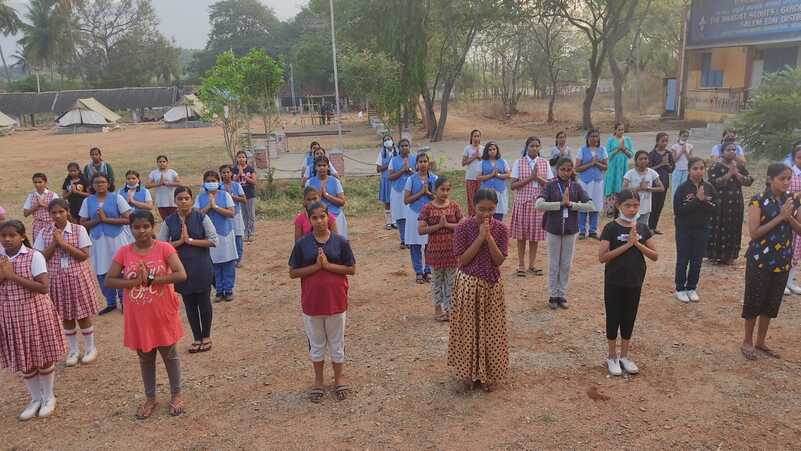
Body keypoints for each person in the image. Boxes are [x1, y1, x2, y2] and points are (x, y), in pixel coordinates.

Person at [105, 210, 188, 419]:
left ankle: (176, 394)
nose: (141, 231)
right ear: (130, 229)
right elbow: (109, 280)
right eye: (136, 227)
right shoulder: (124, 252)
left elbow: (181, 274)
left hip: (161, 313)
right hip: (138, 316)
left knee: (170, 355)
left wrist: (152, 281)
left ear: (153, 227)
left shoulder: (164, 248)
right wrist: (133, 282)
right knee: (145, 357)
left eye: (145, 226)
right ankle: (150, 398)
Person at [288, 201, 356, 403]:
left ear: (329, 217)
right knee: (316, 343)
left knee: (337, 341)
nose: (319, 221)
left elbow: (351, 269)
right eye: (315, 218)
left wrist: (327, 266)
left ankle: (339, 378)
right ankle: (318, 381)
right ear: (309, 220)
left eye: (322, 216)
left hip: (336, 301)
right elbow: (293, 272)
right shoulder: (302, 244)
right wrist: (316, 267)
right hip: (312, 303)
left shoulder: (340, 242)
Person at [0, 220, 64, 420]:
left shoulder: (34, 256)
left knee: (42, 355)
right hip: (10, 314)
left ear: (22, 236)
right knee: (24, 357)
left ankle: (48, 396)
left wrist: (11, 275)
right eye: (3, 236)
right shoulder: (0, 258)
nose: (7, 239)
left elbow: (43, 287)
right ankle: (35, 398)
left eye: (12, 235)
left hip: (35, 311)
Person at [448, 189, 509, 392]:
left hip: (491, 286)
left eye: (491, 209)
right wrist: (480, 237)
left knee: (490, 331)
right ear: (473, 206)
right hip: (468, 285)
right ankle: (467, 373)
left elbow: (499, 260)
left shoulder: (501, 229)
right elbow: (463, 259)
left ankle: (487, 374)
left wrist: (489, 238)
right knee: (468, 330)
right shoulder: (463, 227)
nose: (486, 214)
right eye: (482, 209)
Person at [740, 163, 801, 361]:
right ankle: (747, 341)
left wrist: (789, 217)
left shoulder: (791, 200)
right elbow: (755, 233)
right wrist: (780, 217)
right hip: (760, 260)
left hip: (782, 260)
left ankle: (761, 341)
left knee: (771, 302)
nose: (786, 182)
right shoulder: (758, 200)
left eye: (788, 178)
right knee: (754, 300)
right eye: (782, 178)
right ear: (770, 179)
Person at [599, 189, 658, 376]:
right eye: (628, 205)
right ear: (619, 206)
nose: (632, 209)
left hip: (635, 280)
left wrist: (638, 244)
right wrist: (627, 245)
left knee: (629, 316)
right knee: (613, 316)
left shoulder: (642, 228)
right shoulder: (611, 228)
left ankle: (624, 356)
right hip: (614, 280)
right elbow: (602, 257)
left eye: (636, 205)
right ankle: (612, 356)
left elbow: (655, 255)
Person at [34, 199, 98, 367]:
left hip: (77, 278)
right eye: (54, 212)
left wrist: (63, 243)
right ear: (49, 214)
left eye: (61, 212)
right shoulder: (44, 232)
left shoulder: (79, 229)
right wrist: (55, 243)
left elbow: (83, 255)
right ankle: (73, 349)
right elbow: (40, 257)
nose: (57, 215)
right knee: (65, 315)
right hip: (56, 280)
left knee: (82, 314)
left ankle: (90, 347)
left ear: (68, 212)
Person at [158, 187, 217, 354]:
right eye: (180, 199)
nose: (183, 201)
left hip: (201, 265)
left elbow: (213, 241)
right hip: (180, 268)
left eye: (186, 198)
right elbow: (161, 246)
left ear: (191, 200)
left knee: (204, 302)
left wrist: (190, 241)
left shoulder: (202, 217)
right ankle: (196, 338)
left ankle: (206, 336)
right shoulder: (169, 221)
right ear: (175, 201)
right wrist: (179, 242)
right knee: (189, 304)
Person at [536, 158, 595, 309]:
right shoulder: (550, 185)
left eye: (569, 170)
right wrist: (560, 204)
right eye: (562, 169)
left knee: (566, 263)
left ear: (572, 170)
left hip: (570, 230)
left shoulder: (576, 186)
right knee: (554, 263)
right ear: (557, 170)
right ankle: (552, 295)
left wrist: (571, 204)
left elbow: (590, 205)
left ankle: (561, 294)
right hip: (553, 229)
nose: (565, 172)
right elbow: (539, 204)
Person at [80, 173, 133, 315]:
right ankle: (110, 302)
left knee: (120, 270)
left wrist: (106, 220)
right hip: (98, 241)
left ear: (108, 184)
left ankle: (124, 301)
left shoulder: (117, 198)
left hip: (116, 239)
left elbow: (128, 219)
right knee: (102, 271)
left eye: (103, 182)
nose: (100, 185)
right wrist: (98, 221)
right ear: (92, 185)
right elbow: (82, 223)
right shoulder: (87, 201)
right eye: (96, 182)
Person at [673, 157, 717, 303]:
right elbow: (678, 211)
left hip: (702, 229)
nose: (699, 171)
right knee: (683, 259)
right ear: (689, 170)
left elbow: (715, 209)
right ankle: (680, 289)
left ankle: (691, 288)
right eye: (695, 168)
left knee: (697, 260)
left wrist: (703, 201)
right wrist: (697, 200)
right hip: (684, 229)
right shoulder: (682, 188)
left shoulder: (709, 187)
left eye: (701, 168)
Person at [418, 176, 462, 321]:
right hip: (435, 252)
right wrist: (438, 226)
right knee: (437, 281)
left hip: (452, 252)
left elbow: (463, 225)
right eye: (442, 189)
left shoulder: (454, 206)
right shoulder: (427, 208)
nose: (445, 193)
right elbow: (421, 230)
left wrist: (447, 225)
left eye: (448, 190)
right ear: (435, 190)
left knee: (451, 282)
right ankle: (438, 310)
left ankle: (450, 310)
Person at [510, 136, 552, 276]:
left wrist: (538, 178)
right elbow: (513, 185)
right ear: (526, 147)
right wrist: (530, 178)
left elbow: (550, 185)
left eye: (536, 146)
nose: (534, 148)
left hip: (538, 204)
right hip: (522, 203)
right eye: (531, 146)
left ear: (540, 147)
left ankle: (532, 265)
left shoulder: (545, 163)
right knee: (521, 236)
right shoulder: (519, 162)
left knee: (534, 236)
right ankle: (521, 265)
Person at [706, 142, 754, 265]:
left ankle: (729, 255)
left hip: (736, 202)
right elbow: (712, 183)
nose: (732, 152)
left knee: (733, 227)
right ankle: (714, 254)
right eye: (728, 149)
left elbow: (749, 181)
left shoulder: (739, 166)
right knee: (718, 226)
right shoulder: (715, 167)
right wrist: (728, 174)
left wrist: (736, 174)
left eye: (734, 149)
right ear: (722, 152)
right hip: (720, 202)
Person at [195, 170, 237, 302]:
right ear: (204, 183)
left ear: (218, 182)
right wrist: (209, 206)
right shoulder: (200, 197)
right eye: (208, 181)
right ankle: (218, 290)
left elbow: (231, 213)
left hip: (225, 233)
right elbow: (196, 215)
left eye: (213, 181)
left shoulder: (225, 195)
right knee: (213, 264)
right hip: (208, 236)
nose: (211, 183)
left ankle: (228, 289)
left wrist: (216, 207)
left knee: (228, 262)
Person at [404, 153, 437, 283]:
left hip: (430, 214)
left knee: (429, 243)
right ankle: (418, 271)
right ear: (416, 164)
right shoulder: (411, 179)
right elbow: (406, 200)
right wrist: (421, 193)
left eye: (425, 161)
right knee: (415, 244)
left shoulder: (434, 178)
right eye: (420, 162)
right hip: (414, 213)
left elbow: (439, 198)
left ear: (428, 163)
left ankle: (428, 270)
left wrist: (428, 193)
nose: (423, 164)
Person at [574, 129, 607, 239]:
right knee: (583, 205)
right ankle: (582, 231)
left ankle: (593, 230)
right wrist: (591, 163)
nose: (594, 138)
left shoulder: (602, 150)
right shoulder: (582, 150)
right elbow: (577, 168)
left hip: (597, 182)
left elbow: (605, 167)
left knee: (595, 206)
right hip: (585, 182)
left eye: (596, 136)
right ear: (587, 138)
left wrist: (596, 163)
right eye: (592, 136)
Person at [306, 155, 348, 240]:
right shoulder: (309, 183)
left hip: (336, 217)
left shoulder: (335, 181)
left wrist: (327, 196)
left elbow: (342, 202)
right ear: (315, 167)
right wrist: (318, 197)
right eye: (319, 165)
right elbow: (306, 203)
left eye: (324, 165)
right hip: (317, 218)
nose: (322, 168)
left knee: (338, 241)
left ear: (328, 167)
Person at [622, 151, 664, 227]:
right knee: (631, 228)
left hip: (646, 207)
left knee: (642, 229)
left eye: (645, 158)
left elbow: (661, 188)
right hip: (632, 208)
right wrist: (639, 188)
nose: (643, 161)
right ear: (636, 161)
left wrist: (649, 189)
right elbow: (623, 189)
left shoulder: (652, 173)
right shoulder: (630, 173)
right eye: (641, 159)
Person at [388, 139, 416, 248]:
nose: (405, 148)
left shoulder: (414, 159)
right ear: (398, 148)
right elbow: (390, 177)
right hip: (397, 192)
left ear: (409, 147)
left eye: (406, 145)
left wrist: (410, 171)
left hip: (411, 192)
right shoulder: (393, 160)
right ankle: (403, 240)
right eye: (402, 146)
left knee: (410, 216)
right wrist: (402, 170)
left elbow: (419, 174)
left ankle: (411, 239)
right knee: (400, 216)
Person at [647, 132, 675, 234]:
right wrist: (661, 164)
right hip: (654, 184)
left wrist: (667, 165)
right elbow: (648, 169)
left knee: (660, 205)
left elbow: (671, 169)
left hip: (665, 182)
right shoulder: (652, 154)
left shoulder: (668, 154)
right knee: (653, 205)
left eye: (666, 141)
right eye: (662, 141)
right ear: (657, 141)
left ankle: (654, 227)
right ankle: (649, 227)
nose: (665, 143)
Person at [220, 164, 246, 268]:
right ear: (221, 174)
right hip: (224, 215)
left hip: (236, 214)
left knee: (238, 237)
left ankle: (239, 259)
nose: (226, 174)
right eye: (224, 173)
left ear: (231, 173)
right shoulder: (219, 187)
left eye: (228, 172)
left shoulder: (236, 185)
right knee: (227, 237)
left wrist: (232, 197)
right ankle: (230, 258)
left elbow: (244, 199)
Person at [477, 141, 510, 221]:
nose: (492, 151)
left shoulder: (503, 161)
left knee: (499, 214)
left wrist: (498, 175)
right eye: (490, 149)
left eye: (494, 149)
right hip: (486, 192)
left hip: (500, 191)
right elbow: (478, 177)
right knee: (487, 213)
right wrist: (491, 175)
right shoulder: (482, 162)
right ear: (487, 151)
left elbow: (508, 175)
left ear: (497, 150)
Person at [23, 173, 59, 243]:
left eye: (40, 182)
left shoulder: (53, 195)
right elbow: (25, 213)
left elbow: (58, 209)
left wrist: (43, 205)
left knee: (51, 243)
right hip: (37, 225)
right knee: (38, 245)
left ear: (45, 182)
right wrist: (36, 205)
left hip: (51, 224)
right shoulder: (31, 196)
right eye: (35, 182)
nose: (37, 184)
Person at [604, 123, 633, 207]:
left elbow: (631, 155)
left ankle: (621, 205)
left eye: (622, 129)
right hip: (612, 167)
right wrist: (617, 149)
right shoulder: (610, 140)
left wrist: (623, 149)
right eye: (619, 129)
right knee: (612, 184)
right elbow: (607, 155)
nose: (621, 131)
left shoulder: (627, 140)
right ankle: (610, 206)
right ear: (615, 130)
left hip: (623, 166)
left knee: (622, 184)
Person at [146, 155, 181, 220]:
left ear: (167, 162)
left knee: (174, 219)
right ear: (157, 163)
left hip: (172, 201)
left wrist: (167, 183)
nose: (162, 163)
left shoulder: (172, 172)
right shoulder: (153, 173)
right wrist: (158, 184)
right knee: (165, 220)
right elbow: (147, 185)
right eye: (160, 162)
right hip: (161, 202)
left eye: (164, 161)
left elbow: (179, 183)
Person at [232, 151, 257, 242]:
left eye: (243, 157)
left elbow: (254, 182)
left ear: (246, 159)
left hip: (249, 194)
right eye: (239, 157)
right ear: (236, 159)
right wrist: (239, 173)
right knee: (244, 215)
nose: (241, 159)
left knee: (251, 215)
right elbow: (232, 182)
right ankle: (245, 233)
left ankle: (252, 233)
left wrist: (244, 176)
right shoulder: (234, 170)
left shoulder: (250, 169)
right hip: (239, 196)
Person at [787, 145, 801, 294]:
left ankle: (790, 281)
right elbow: (783, 193)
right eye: (799, 157)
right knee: (789, 247)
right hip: (791, 215)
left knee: (798, 249)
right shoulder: (789, 174)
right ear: (794, 158)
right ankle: (782, 282)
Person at [376, 135, 397, 230]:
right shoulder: (382, 154)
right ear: (383, 143)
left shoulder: (397, 152)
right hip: (386, 180)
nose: (387, 141)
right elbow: (378, 169)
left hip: (395, 180)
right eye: (385, 140)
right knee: (387, 202)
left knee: (395, 201)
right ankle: (388, 222)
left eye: (389, 139)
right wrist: (388, 163)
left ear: (392, 141)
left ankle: (395, 221)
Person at [462, 129, 483, 216]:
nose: (476, 138)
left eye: (478, 136)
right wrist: (474, 157)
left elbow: (485, 162)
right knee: (471, 199)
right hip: (470, 178)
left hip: (481, 178)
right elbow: (463, 163)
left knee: (481, 198)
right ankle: (472, 218)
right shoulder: (467, 148)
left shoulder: (483, 149)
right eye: (475, 136)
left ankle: (480, 216)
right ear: (471, 137)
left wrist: (479, 157)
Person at [670, 130, 693, 196]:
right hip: (677, 169)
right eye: (684, 136)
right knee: (675, 188)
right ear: (679, 136)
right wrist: (681, 151)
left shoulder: (690, 146)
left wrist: (685, 152)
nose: (685, 138)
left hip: (686, 169)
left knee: (685, 188)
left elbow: (691, 160)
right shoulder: (674, 146)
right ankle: (674, 200)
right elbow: (674, 160)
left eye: (687, 136)